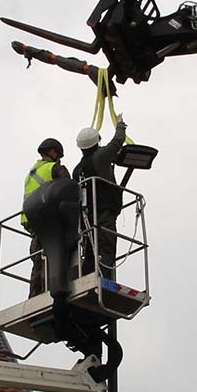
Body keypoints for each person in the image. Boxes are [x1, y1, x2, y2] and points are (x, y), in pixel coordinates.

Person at [73, 118, 128, 280]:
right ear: (97, 142)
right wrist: (120, 125)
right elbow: (117, 141)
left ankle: (88, 278)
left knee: (90, 250)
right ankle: (104, 280)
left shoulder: (77, 170)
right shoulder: (100, 157)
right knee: (106, 248)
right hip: (104, 215)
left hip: (86, 219)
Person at [22, 138, 71, 297]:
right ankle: (47, 292)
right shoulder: (54, 169)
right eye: (59, 155)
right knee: (50, 258)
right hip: (48, 220)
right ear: (52, 152)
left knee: (38, 260)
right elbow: (70, 189)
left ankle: (34, 296)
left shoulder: (31, 172)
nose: (60, 159)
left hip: (33, 222)